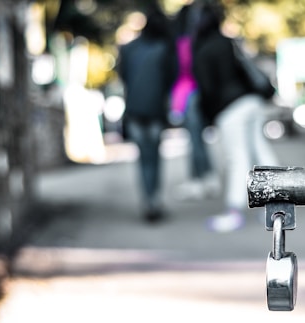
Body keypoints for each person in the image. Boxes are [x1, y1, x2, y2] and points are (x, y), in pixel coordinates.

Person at [192, 3, 279, 232]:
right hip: (251, 101)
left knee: (237, 158)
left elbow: (207, 89)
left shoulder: (201, 50)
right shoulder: (227, 42)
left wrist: (208, 117)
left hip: (229, 110)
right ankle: (276, 204)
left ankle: (234, 211)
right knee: (260, 152)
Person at [117, 7, 178, 222]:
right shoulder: (164, 49)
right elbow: (171, 79)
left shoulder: (128, 49)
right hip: (155, 112)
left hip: (134, 110)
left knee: (143, 158)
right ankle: (154, 201)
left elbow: (124, 77)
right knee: (154, 158)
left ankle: (148, 201)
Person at [169, 2, 220, 200]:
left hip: (189, 96)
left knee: (195, 140)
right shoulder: (193, 42)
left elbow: (183, 74)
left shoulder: (184, 44)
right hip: (193, 95)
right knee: (196, 139)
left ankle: (201, 179)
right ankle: (204, 178)